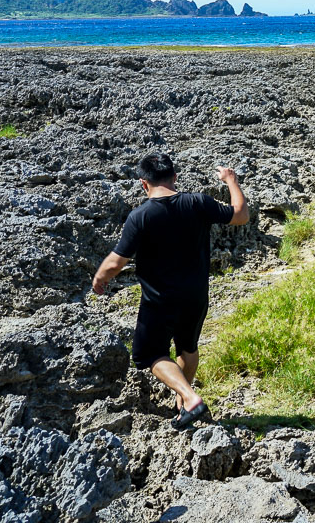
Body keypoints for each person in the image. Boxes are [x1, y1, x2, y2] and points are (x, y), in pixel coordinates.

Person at [93, 154, 249, 430]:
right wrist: (231, 181)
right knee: (187, 347)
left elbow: (117, 261)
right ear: (175, 177)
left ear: (144, 184)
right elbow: (240, 215)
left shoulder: (140, 216)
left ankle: (189, 397)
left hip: (160, 300)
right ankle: (183, 405)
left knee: (149, 354)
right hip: (197, 293)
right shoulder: (198, 202)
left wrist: (99, 278)